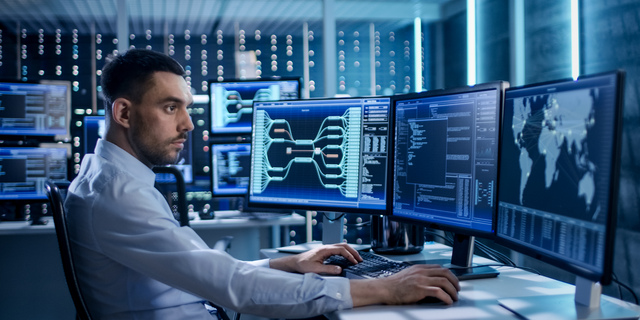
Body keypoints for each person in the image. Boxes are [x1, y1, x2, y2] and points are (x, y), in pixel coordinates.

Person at [65, 48, 460, 319]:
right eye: (171, 107)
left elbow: (200, 272)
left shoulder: (107, 179)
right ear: (124, 113)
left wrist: (287, 263)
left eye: (186, 108)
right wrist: (386, 289)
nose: (187, 124)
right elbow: (231, 286)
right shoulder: (118, 196)